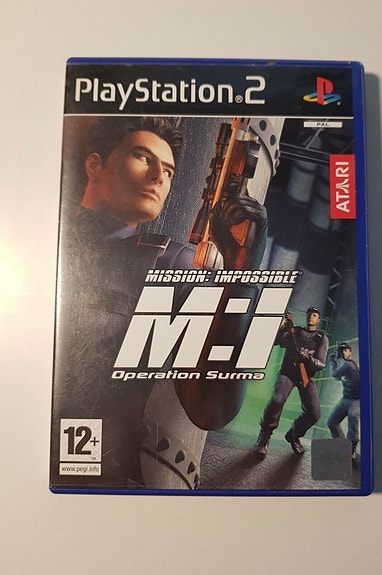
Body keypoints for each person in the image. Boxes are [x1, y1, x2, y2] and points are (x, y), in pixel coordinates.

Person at [52, 116, 269, 490]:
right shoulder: (35, 242)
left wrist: (242, 271)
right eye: (142, 157)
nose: (158, 177)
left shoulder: (170, 264)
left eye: (168, 172)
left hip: (95, 477)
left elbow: (211, 409)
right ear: (95, 165)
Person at [253, 307, 329, 459]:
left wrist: (307, 359)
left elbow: (321, 364)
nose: (311, 317)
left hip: (305, 377)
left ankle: (294, 434)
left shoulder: (321, 339)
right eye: (309, 314)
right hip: (287, 374)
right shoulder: (295, 332)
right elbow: (274, 342)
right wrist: (282, 329)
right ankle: (264, 436)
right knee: (277, 400)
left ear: (318, 320)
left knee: (314, 413)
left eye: (314, 315)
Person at [327, 342, 360, 460]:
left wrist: (332, 360)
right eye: (342, 351)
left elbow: (334, 373)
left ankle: (351, 450)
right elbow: (337, 377)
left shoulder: (349, 364)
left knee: (353, 421)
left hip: (355, 400)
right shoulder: (345, 365)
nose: (344, 353)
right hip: (345, 399)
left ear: (350, 352)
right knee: (332, 422)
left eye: (346, 350)